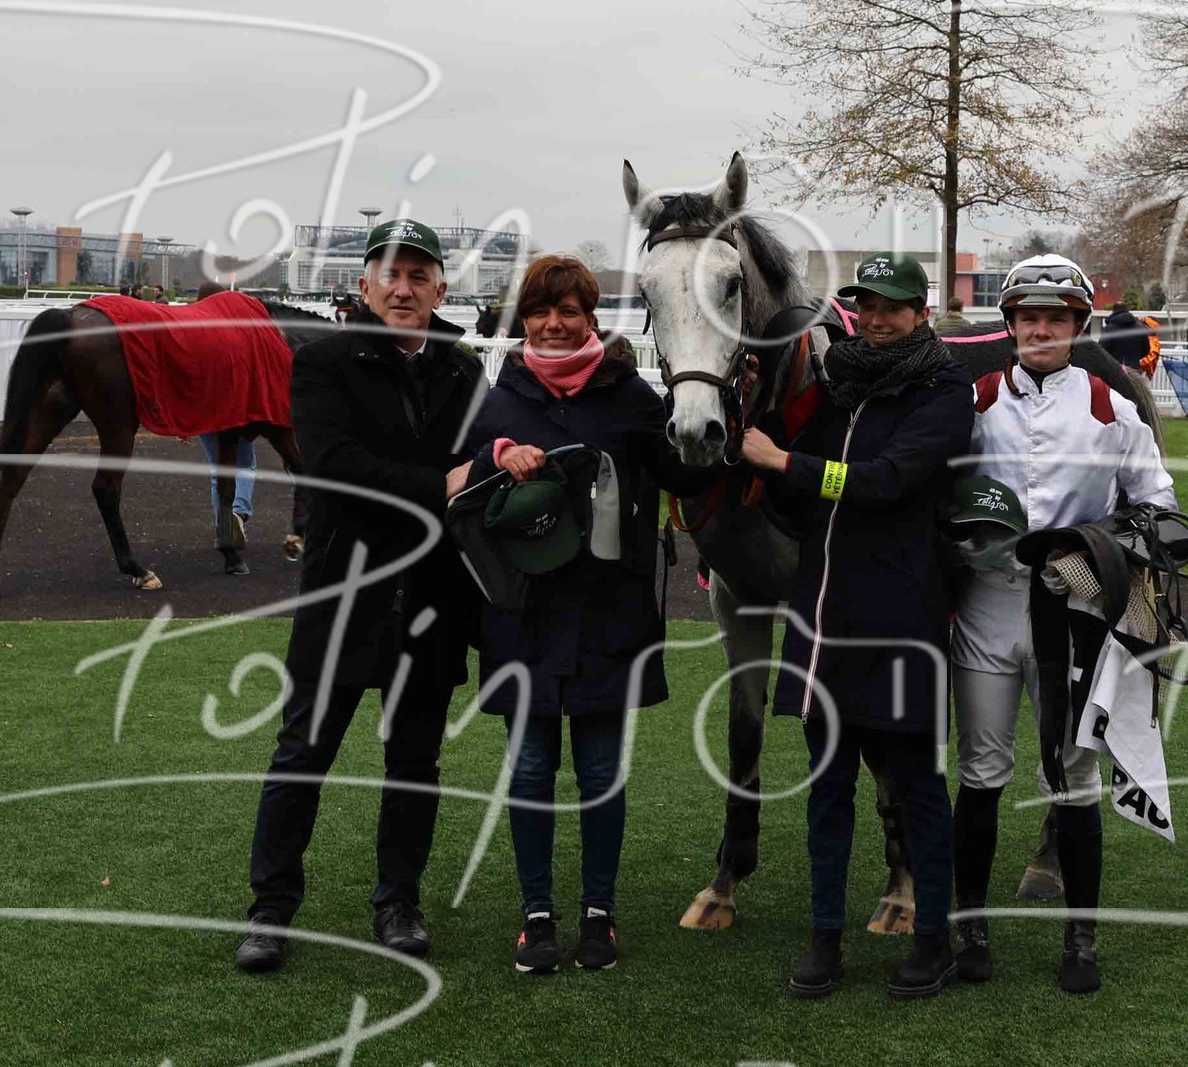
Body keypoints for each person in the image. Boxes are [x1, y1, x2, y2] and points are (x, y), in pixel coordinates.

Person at [450, 255, 715, 974]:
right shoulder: (500, 397)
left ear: (591, 318)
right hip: (521, 616)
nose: (554, 324)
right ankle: (536, 915)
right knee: (531, 770)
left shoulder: (631, 395)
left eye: (568, 311)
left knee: (600, 772)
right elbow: (455, 484)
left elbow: (687, 472)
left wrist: (720, 406)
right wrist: (498, 457)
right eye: (540, 312)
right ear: (524, 320)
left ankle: (600, 913)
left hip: (609, 616)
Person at [234, 218, 485, 973]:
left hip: (433, 595)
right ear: (364, 284)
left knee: (414, 764)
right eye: (391, 274)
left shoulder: (463, 371)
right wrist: (439, 485)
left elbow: (481, 473)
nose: (404, 288)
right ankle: (270, 909)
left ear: (441, 288)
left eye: (419, 276)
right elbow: (335, 469)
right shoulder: (324, 362)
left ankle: (398, 901)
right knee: (302, 754)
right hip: (344, 589)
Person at [740, 252, 975, 1000]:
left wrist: (786, 463)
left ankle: (933, 939)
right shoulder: (838, 383)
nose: (876, 320)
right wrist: (759, 418)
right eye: (866, 306)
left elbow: (886, 481)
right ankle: (824, 938)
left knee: (919, 789)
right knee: (828, 788)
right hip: (825, 616)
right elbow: (792, 485)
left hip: (902, 617)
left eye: (892, 308)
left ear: (921, 314)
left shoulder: (945, 390)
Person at [951, 253, 1175, 995]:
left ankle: (1082, 937)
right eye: (1028, 317)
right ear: (1010, 324)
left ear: (1077, 325)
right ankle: (970, 925)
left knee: (1075, 777)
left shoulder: (1112, 407)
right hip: (988, 606)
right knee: (981, 770)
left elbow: (1160, 508)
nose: (1040, 330)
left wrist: (1097, 547)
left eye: (1055, 318)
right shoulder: (976, 400)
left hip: (1076, 611)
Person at [1098, 301, 1148, 371]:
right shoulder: (1140, 328)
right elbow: (1146, 350)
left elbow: (1102, 350)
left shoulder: (1109, 329)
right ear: (1127, 310)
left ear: (1113, 311)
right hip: (1134, 368)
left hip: (1114, 369)